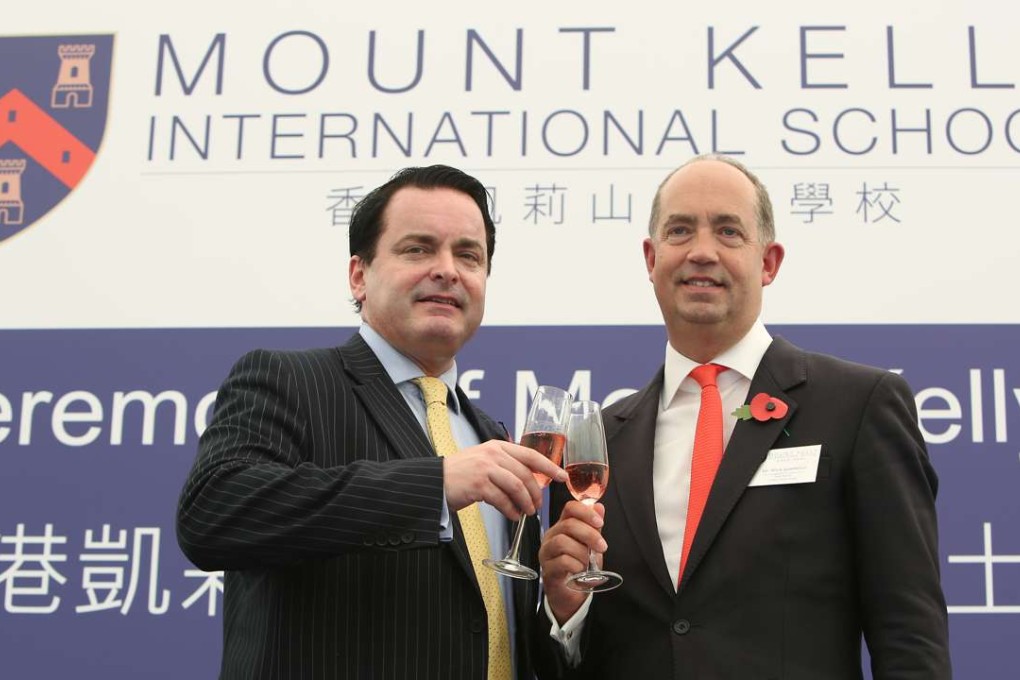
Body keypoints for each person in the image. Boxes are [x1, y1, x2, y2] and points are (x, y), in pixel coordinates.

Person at [533, 155, 952, 679]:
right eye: (680, 230)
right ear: (651, 259)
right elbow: (572, 661)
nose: (701, 251)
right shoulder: (594, 447)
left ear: (769, 262)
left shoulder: (858, 406)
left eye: (728, 232)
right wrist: (566, 612)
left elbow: (910, 635)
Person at [176, 164, 566, 680]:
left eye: (468, 255)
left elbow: (494, 633)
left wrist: (560, 608)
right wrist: (434, 485)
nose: (447, 270)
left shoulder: (491, 437)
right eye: (418, 249)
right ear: (359, 276)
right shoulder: (288, 380)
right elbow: (212, 513)